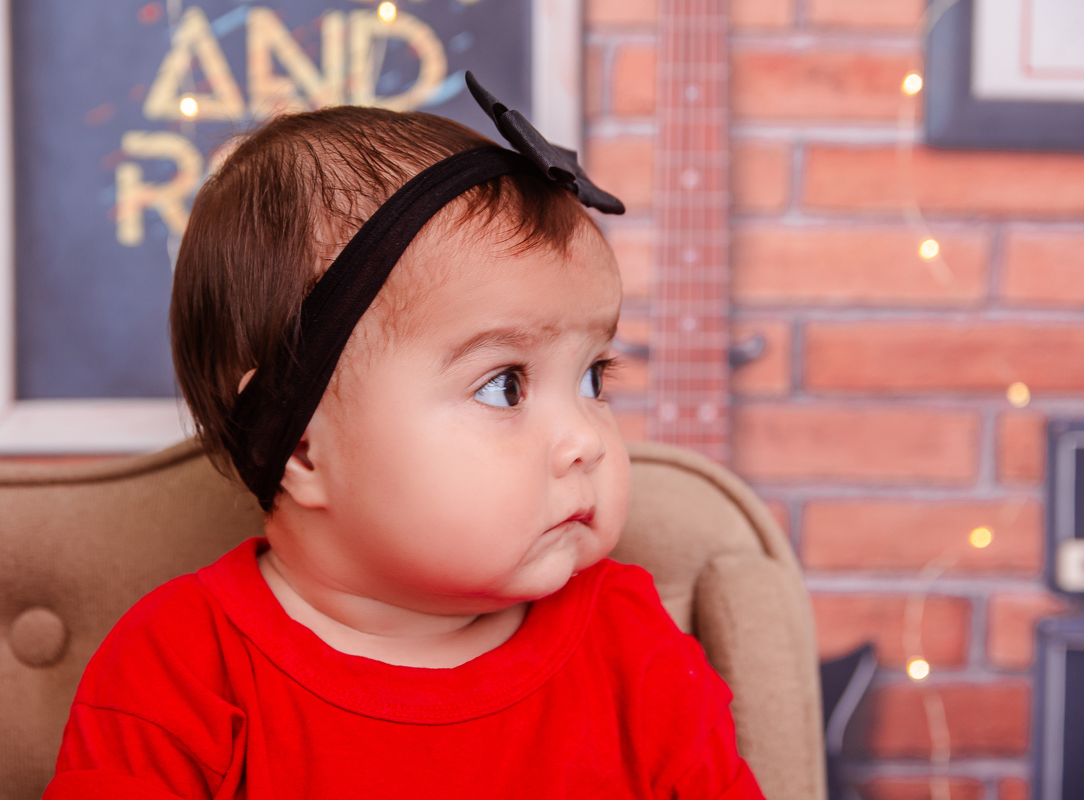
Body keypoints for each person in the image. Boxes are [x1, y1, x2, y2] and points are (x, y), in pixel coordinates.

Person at [43, 75, 765, 800]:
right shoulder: (179, 671)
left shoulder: (630, 647)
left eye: (592, 378)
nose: (586, 439)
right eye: (504, 385)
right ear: (303, 448)